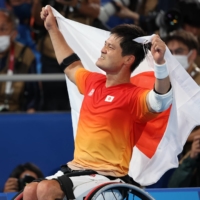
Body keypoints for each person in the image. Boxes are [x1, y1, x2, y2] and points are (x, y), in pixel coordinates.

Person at [22, 5, 172, 199]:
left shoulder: (135, 96)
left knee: (45, 190)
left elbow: (161, 100)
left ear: (128, 60)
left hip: (107, 177)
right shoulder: (93, 82)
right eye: (105, 44)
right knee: (30, 190)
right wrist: (52, 28)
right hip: (75, 170)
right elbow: (70, 65)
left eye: (110, 47)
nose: (103, 50)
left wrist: (160, 64)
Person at [0, 9, 39, 112]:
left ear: (14, 34)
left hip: (15, 114)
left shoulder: (25, 54)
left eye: (3, 29)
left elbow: (33, 95)